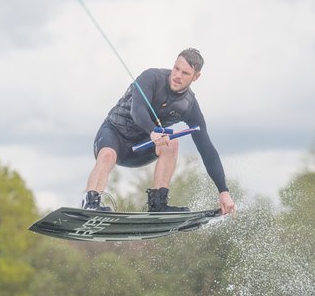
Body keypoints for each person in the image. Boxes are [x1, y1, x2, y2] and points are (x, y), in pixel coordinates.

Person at [82, 48, 236, 215]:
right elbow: (137, 110)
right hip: (113, 135)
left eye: (185, 73)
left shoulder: (189, 105)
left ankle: (158, 204)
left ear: (196, 77)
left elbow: (207, 149)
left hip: (139, 149)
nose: (177, 75)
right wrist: (152, 131)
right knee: (107, 155)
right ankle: (90, 203)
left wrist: (223, 191)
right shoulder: (152, 78)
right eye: (176, 68)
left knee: (172, 143)